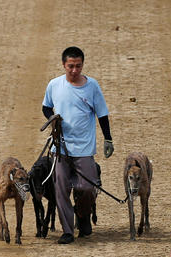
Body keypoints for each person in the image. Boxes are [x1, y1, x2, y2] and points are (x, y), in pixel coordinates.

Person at [41, 46, 114, 244]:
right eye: (71, 66)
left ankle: (83, 216)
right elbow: (46, 106)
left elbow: (102, 114)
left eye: (78, 66)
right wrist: (52, 118)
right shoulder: (54, 85)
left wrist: (108, 138)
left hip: (84, 148)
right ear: (64, 65)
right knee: (61, 188)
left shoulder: (92, 87)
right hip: (61, 147)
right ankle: (67, 230)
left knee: (87, 188)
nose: (74, 70)